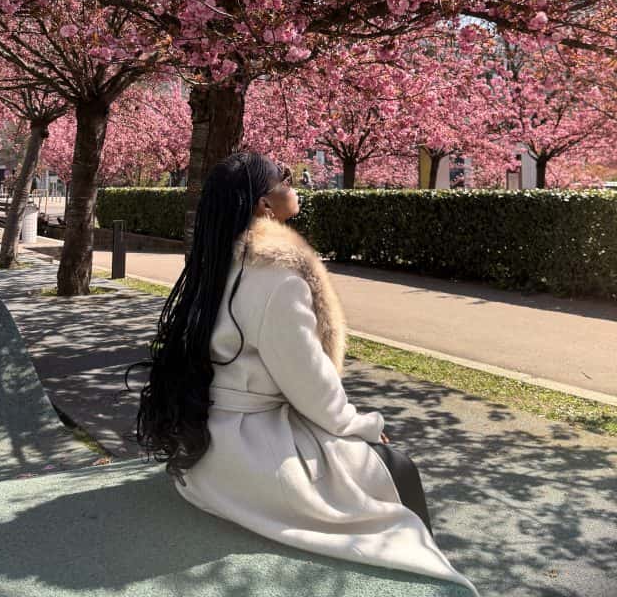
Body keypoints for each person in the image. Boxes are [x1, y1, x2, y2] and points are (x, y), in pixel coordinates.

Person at [129, 152, 477, 595]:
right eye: (286, 178)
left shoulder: (216, 262)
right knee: (397, 468)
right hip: (252, 452)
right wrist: (364, 426)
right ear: (264, 205)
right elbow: (312, 388)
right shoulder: (277, 279)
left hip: (205, 447)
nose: (297, 184)